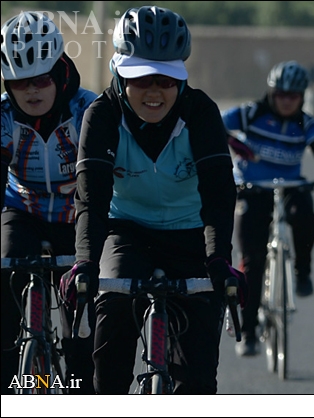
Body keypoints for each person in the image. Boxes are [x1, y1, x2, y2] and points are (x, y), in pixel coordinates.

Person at [59, 6, 242, 394]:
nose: (155, 91)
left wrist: (218, 259)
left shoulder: (202, 112)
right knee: (111, 333)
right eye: (141, 79)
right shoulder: (102, 114)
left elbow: (219, 194)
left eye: (166, 79)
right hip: (128, 232)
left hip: (193, 236)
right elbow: (91, 198)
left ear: (181, 78)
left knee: (196, 379)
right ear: (119, 72)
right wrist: (87, 263)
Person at [1, 11, 98, 394]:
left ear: (59, 72)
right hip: (22, 211)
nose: (32, 91)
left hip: (78, 217)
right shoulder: (4, 117)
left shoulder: (87, 111)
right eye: (19, 82)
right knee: (5, 275)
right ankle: (9, 385)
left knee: (82, 315)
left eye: (40, 79)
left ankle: (78, 386)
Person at [221, 60, 314, 357]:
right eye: (281, 94)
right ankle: (248, 335)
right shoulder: (249, 114)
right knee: (253, 260)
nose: (287, 101)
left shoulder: (307, 123)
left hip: (290, 186)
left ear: (302, 97)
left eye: (294, 96)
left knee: (306, 215)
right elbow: (211, 125)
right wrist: (235, 143)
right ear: (271, 93)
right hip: (251, 190)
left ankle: (302, 271)